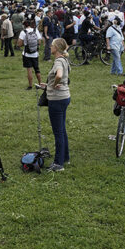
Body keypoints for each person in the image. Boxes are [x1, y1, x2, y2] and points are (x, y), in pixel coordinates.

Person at [39, 38, 71, 172]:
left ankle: (58, 163)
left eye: (52, 45)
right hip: (64, 97)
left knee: (58, 132)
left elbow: (59, 75)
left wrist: (52, 85)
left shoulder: (58, 61)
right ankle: (65, 157)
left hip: (56, 99)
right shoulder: (64, 60)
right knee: (62, 130)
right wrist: (48, 85)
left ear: (56, 48)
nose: (50, 47)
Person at [17, 18, 43, 90]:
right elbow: (39, 42)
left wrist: (24, 44)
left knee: (29, 70)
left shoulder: (23, 32)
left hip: (27, 54)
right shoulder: (35, 30)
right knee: (37, 69)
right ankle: (40, 83)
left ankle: (30, 85)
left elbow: (19, 44)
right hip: (35, 53)